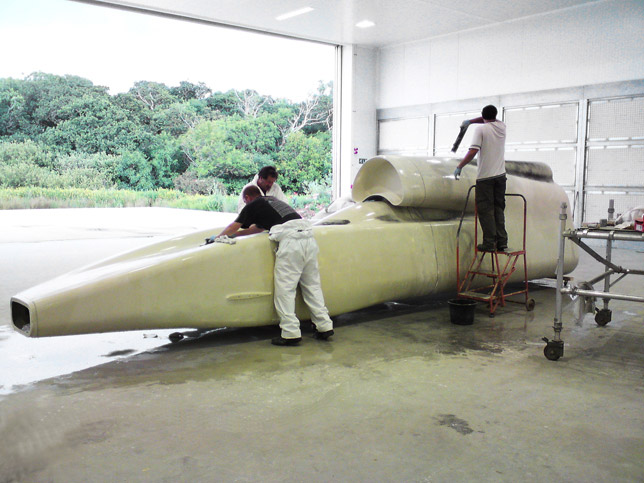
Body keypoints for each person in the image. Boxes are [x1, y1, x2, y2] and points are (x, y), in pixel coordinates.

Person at [213, 185, 334, 346]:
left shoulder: (252, 205)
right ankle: (324, 326)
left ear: (247, 198)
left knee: (285, 289)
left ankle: (290, 333)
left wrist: (217, 238)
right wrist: (236, 235)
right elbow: (255, 229)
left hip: (291, 243)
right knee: (312, 286)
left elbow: (232, 226)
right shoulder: (273, 202)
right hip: (309, 240)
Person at [454, 105, 508, 252]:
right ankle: (502, 241)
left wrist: (460, 166)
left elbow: (473, 151)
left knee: (486, 211)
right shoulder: (502, 126)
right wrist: (471, 121)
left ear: (482, 116)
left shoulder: (481, 129)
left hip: (486, 178)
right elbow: (487, 119)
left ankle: (489, 242)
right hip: (501, 177)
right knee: (498, 209)